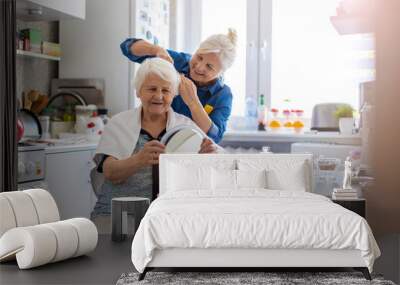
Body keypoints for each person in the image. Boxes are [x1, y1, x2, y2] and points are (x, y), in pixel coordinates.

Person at [91, 58, 218, 228]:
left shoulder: (187, 127)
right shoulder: (119, 123)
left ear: (173, 94)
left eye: (166, 90)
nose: (159, 96)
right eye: (151, 89)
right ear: (138, 91)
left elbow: (207, 173)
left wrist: (204, 158)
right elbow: (109, 172)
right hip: (116, 217)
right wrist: (139, 160)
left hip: (167, 219)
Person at [120, 29, 237, 143]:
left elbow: (215, 136)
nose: (199, 67)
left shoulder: (223, 95)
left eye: (209, 67)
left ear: (221, 72)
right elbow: (127, 47)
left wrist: (194, 103)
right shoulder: (178, 61)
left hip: (188, 149)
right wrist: (156, 50)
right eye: (199, 57)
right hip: (150, 137)